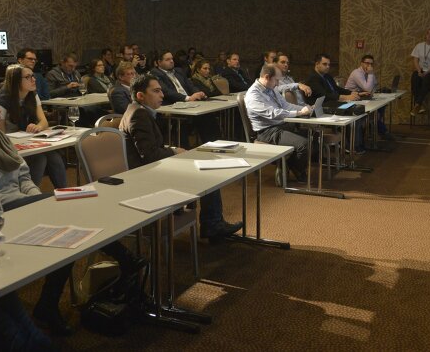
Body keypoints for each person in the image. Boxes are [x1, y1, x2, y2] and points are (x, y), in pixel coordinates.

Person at [0, 86, 146, 338]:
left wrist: (34, 200)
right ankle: (122, 258)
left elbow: (23, 174)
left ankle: (47, 305)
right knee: (71, 209)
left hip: (21, 206)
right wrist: (27, 203)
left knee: (71, 233)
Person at [120, 74, 242, 241]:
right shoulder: (138, 115)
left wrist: (172, 149)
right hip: (146, 177)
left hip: (150, 169)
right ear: (140, 96)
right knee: (207, 174)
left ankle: (212, 223)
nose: (162, 95)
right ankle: (212, 225)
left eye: (161, 91)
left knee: (200, 166)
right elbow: (149, 155)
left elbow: (148, 148)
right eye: (156, 91)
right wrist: (173, 152)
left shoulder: (137, 110)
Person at [0, 65, 68, 188]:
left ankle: (65, 192)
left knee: (54, 157)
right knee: (39, 159)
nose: (34, 80)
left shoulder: (32, 95)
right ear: (16, 81)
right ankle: (30, 196)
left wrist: (38, 127)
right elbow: (0, 134)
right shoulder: (2, 101)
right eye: (28, 77)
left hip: (29, 141)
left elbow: (43, 122)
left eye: (32, 76)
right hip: (11, 147)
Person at [245, 64, 311, 182]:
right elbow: (273, 113)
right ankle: (296, 169)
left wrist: (304, 108)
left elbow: (286, 105)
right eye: (276, 80)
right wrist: (299, 113)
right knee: (303, 144)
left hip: (281, 125)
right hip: (267, 131)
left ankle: (287, 164)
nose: (277, 84)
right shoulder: (253, 94)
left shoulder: (271, 89)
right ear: (266, 77)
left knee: (312, 134)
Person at [150, 50, 220, 143]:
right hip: (172, 106)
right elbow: (167, 91)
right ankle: (188, 148)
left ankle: (215, 144)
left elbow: (190, 85)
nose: (171, 61)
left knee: (208, 115)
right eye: (167, 59)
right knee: (195, 120)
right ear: (159, 62)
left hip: (188, 104)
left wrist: (198, 93)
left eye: (172, 59)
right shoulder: (155, 74)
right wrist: (188, 98)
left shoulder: (178, 71)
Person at [345, 54, 392, 139]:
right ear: (361, 63)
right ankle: (381, 131)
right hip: (351, 98)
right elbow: (368, 88)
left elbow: (374, 85)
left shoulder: (369, 73)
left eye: (371, 64)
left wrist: (371, 74)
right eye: (367, 63)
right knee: (375, 112)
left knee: (381, 106)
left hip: (362, 97)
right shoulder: (357, 73)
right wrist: (370, 73)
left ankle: (374, 128)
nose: (369, 66)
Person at [410, 27, 430, 115]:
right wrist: (419, 71)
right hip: (420, 70)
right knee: (414, 78)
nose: (428, 35)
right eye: (427, 33)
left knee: (426, 80)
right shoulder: (419, 45)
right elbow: (415, 60)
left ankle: (418, 104)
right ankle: (419, 105)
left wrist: (427, 72)